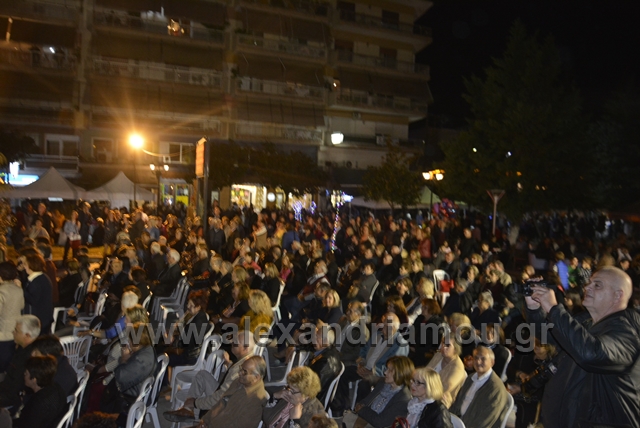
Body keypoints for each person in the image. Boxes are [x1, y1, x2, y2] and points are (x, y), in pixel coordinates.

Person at [526, 266, 640, 428]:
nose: (587, 287)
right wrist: (535, 308)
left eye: (597, 285)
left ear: (618, 295)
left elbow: (591, 354)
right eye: (589, 283)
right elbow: (548, 336)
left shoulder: (628, 332)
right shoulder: (586, 321)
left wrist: (553, 308)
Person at [164, 330, 257, 423]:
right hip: (227, 399)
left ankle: (193, 412)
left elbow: (220, 398)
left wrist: (195, 403)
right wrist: (229, 364)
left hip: (226, 408)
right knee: (202, 375)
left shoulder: (241, 371)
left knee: (202, 394)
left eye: (236, 342)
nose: (232, 342)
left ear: (245, 348)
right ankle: (188, 410)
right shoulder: (247, 361)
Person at [187, 356, 269, 428]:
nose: (239, 373)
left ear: (256, 377)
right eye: (241, 368)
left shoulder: (255, 403)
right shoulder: (238, 382)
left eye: (244, 372)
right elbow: (220, 403)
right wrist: (204, 421)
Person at [449, 346, 510, 428]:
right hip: (458, 423)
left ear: (492, 362)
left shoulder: (496, 389)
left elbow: (485, 422)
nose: (478, 361)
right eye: (476, 358)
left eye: (483, 359)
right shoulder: (470, 378)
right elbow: (457, 404)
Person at [351, 356, 413, 428]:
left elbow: (380, 422)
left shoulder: (403, 399)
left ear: (400, 373)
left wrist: (362, 409)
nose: (385, 372)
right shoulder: (383, 384)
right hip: (366, 420)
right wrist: (360, 405)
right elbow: (367, 401)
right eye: (386, 369)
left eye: (390, 370)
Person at [12, 355, 67, 428]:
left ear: (34, 379)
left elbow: (23, 424)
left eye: (26, 373)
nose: (24, 374)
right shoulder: (56, 387)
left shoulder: (37, 403)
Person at [0, 315, 41, 409]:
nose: (13, 332)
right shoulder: (22, 348)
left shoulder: (29, 358)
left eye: (16, 331)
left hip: (12, 401)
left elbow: (15, 390)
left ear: (27, 335)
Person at [426, 339, 466, 408]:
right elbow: (425, 373)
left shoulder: (458, 367)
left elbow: (445, 388)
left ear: (455, 349)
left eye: (447, 345)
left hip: (441, 403)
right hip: (425, 394)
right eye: (443, 343)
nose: (443, 347)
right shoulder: (438, 355)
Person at [20, 253, 54, 334]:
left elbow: (33, 300)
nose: (24, 267)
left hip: (39, 320)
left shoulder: (37, 281)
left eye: (25, 264)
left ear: (32, 265)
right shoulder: (41, 277)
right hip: (43, 318)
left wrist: (21, 289)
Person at [0, 261, 25, 372]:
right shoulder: (18, 289)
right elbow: (22, 305)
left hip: (2, 332)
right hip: (15, 330)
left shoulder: (1, 291)